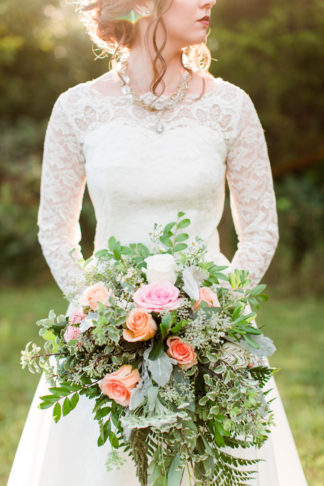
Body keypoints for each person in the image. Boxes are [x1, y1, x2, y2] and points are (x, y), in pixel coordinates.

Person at [7, 0, 308, 484]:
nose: (209, 1)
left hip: (212, 323)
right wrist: (97, 312)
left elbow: (260, 228)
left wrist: (216, 313)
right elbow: (55, 228)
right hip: (108, 328)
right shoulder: (78, 108)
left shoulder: (231, 106)